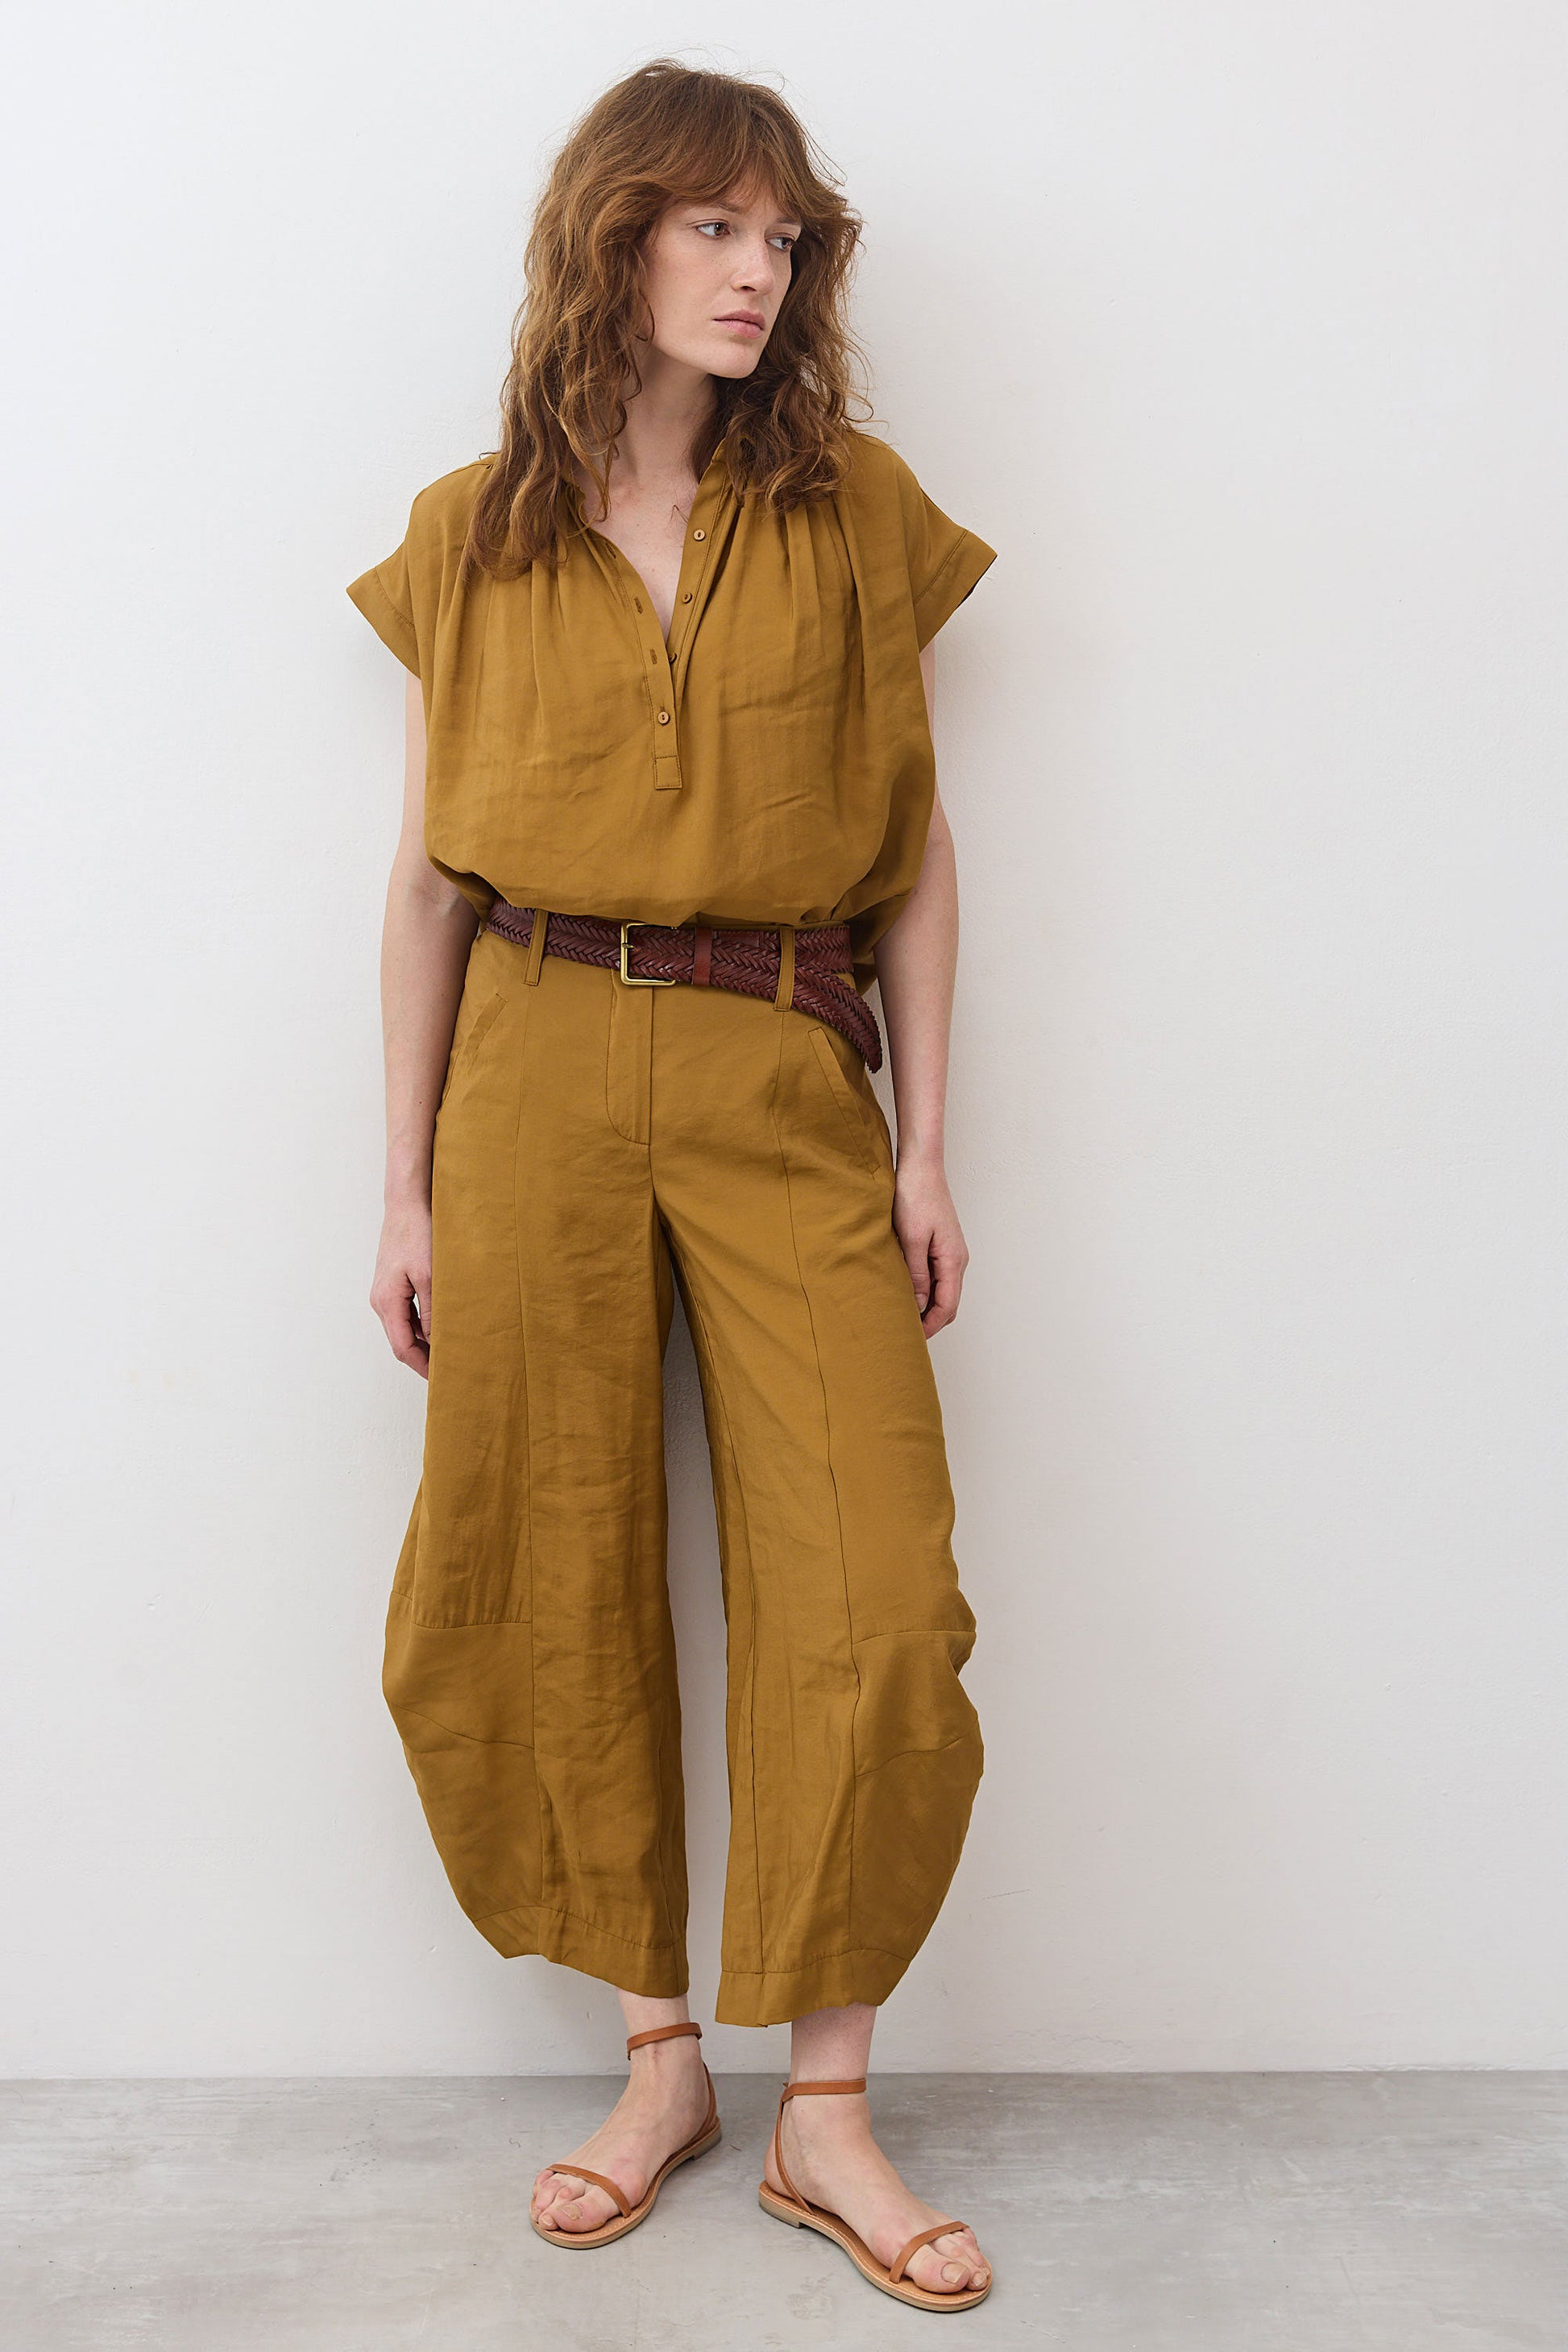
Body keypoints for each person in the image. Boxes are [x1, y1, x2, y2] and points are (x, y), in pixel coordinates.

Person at [346, 59, 998, 2312]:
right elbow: (427, 886)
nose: (759, 271)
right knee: (547, 1553)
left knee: (875, 1590)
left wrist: (926, 1141)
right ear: (607, 236)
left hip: (781, 1057)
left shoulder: (852, 509)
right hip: (527, 1067)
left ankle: (825, 2105)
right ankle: (655, 2062)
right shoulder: (470, 534)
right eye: (714, 226)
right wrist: (406, 1189)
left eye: (785, 237)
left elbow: (914, 856)